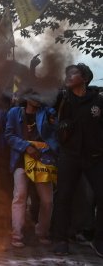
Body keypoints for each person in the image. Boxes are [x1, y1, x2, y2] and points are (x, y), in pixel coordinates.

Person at [52, 63, 103, 257]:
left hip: (95, 158)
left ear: (84, 78)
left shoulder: (98, 101)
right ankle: (59, 239)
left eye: (73, 73)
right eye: (67, 73)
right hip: (70, 156)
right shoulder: (62, 99)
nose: (68, 76)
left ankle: (99, 240)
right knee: (63, 197)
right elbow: (41, 99)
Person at [4, 89, 57, 248]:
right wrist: (26, 147)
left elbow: (54, 137)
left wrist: (44, 150)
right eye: (34, 96)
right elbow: (9, 135)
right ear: (26, 98)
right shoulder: (14, 112)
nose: (38, 99)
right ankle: (17, 234)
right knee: (20, 195)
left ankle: (41, 232)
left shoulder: (47, 113)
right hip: (21, 160)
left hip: (42, 160)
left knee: (47, 200)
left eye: (40, 95)